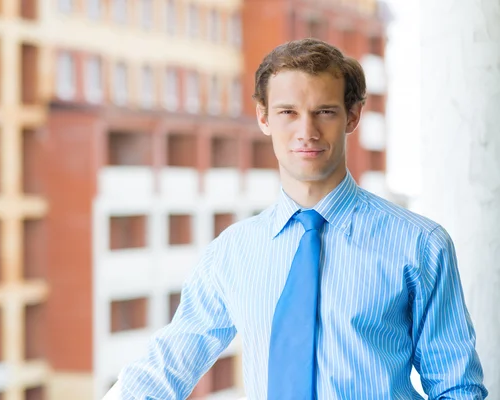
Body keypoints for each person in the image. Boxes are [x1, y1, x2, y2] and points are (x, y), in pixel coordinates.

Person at [103, 39, 487, 399]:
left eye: (325, 112)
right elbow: (167, 367)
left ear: (352, 117)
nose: (306, 131)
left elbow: (456, 388)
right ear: (263, 117)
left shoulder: (421, 244)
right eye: (288, 112)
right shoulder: (232, 252)